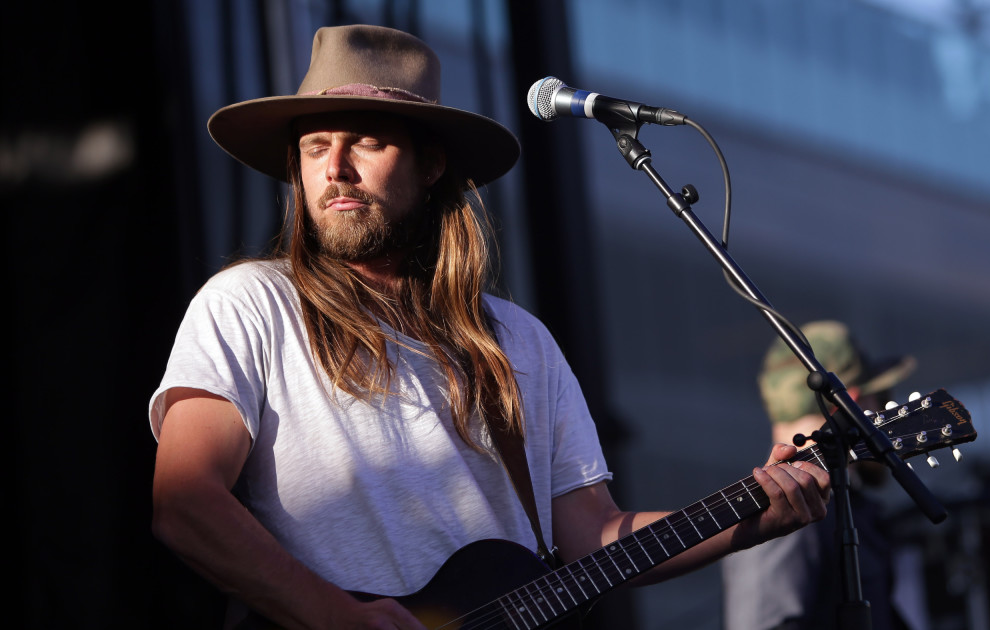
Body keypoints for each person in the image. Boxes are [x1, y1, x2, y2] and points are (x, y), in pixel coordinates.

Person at [149, 24, 831, 630]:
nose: (335, 169)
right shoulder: (251, 302)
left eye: (368, 142)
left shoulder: (519, 341)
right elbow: (185, 503)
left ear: (431, 163)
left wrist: (749, 519)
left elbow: (592, 537)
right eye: (315, 146)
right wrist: (332, 613)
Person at [722, 320, 917, 630]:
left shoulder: (835, 502)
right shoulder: (783, 509)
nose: (883, 411)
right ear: (848, 403)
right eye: (880, 398)